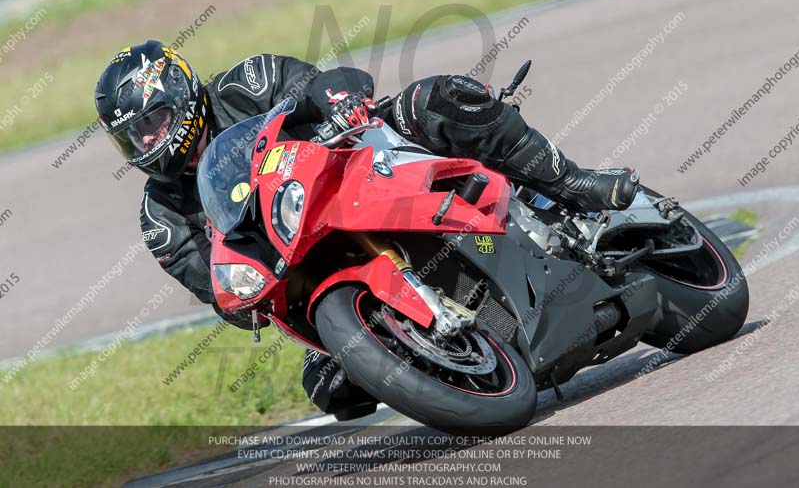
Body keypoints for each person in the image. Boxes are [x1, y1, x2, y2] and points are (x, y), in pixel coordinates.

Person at [95, 40, 639, 420]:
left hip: (363, 168)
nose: (146, 144)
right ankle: (430, 355)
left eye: (151, 124)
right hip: (303, 265)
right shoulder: (161, 217)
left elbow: (318, 85)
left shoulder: (245, 84)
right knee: (331, 390)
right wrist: (241, 301)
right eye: (132, 139)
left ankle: (572, 182)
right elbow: (220, 290)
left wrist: (337, 103)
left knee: (440, 99)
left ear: (181, 96)